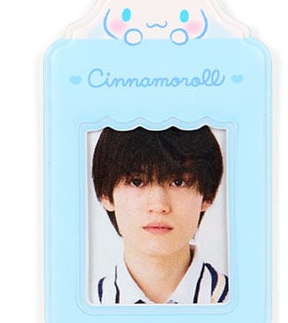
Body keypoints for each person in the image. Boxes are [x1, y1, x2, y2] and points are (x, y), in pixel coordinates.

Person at [91, 125, 228, 305]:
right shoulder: (83, 305)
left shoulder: (244, 303)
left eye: (178, 182)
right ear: (106, 195)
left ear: (207, 196)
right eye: (137, 182)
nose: (158, 206)